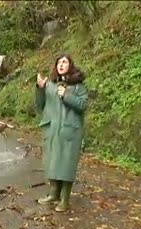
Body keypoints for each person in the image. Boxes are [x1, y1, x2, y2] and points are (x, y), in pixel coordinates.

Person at [34, 53, 88, 212]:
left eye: (64, 62)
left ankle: (65, 199)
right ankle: (53, 194)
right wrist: (40, 89)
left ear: (70, 65)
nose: (61, 64)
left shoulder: (79, 86)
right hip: (52, 128)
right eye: (59, 62)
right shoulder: (50, 84)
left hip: (70, 131)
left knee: (66, 164)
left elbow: (82, 105)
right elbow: (40, 105)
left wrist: (67, 95)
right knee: (52, 161)